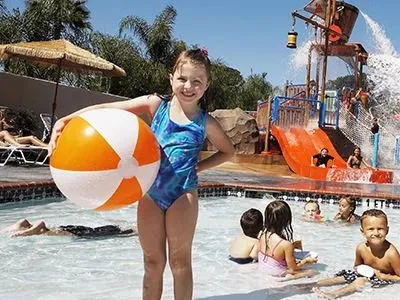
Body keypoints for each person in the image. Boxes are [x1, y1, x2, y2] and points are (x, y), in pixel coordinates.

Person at [47, 48, 235, 300]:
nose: (188, 86)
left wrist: (198, 167)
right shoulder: (155, 105)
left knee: (180, 263)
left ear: (206, 85)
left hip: (182, 196)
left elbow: (228, 152)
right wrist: (66, 120)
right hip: (150, 194)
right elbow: (108, 109)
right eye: (182, 79)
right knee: (152, 262)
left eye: (196, 81)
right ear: (171, 78)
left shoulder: (205, 122)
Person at [312, 209, 400, 299]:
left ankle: (334, 294)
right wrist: (362, 271)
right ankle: (310, 285)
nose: (376, 232)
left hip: (383, 278)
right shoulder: (361, 248)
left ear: (387, 230)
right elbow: (357, 267)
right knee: (343, 277)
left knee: (360, 281)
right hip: (366, 274)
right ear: (363, 232)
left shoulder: (391, 253)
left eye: (380, 228)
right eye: (371, 229)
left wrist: (382, 276)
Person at [258, 200, 318, 281]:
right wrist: (306, 261)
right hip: (276, 272)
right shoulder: (285, 244)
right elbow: (293, 268)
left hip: (263, 268)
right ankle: (292, 277)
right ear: (286, 220)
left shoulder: (262, 234)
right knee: (313, 272)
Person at [4, 218, 136, 238]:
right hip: (75, 231)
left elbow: (41, 222)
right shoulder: (123, 232)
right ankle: (38, 229)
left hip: (75, 230)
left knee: (100, 234)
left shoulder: (37, 229)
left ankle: (134, 230)